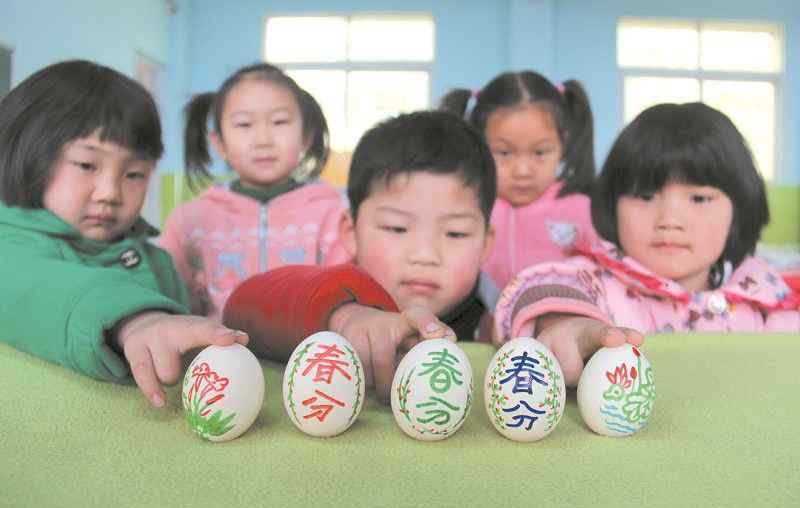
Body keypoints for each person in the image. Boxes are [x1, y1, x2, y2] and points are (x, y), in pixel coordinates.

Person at [0, 60, 248, 408]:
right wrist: (135, 322)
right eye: (87, 165)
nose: (109, 193)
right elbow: (41, 287)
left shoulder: (157, 263)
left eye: (133, 174)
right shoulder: (8, 250)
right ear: (29, 155)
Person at [495, 103, 799, 386]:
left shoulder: (765, 296)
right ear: (612, 204)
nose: (669, 220)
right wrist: (566, 321)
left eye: (699, 198)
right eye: (645, 196)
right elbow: (539, 288)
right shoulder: (593, 281)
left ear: (739, 210)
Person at [223, 111, 500, 400]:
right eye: (396, 227)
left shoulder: (495, 321)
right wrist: (342, 318)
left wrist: (550, 320)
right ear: (351, 232)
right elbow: (241, 307)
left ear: (485, 244)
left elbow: (536, 305)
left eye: (455, 233)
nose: (425, 255)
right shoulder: (334, 292)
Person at [160, 63, 347, 320]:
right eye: (244, 124)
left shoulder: (333, 215)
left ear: (305, 136)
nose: (263, 140)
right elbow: (166, 301)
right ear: (220, 143)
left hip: (304, 356)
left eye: (280, 121)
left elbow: (347, 298)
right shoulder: (189, 221)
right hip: (221, 353)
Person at [440, 71, 600, 291]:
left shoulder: (583, 209)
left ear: (564, 144)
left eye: (540, 152)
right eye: (504, 153)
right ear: (478, 145)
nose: (523, 170)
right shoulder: (467, 207)